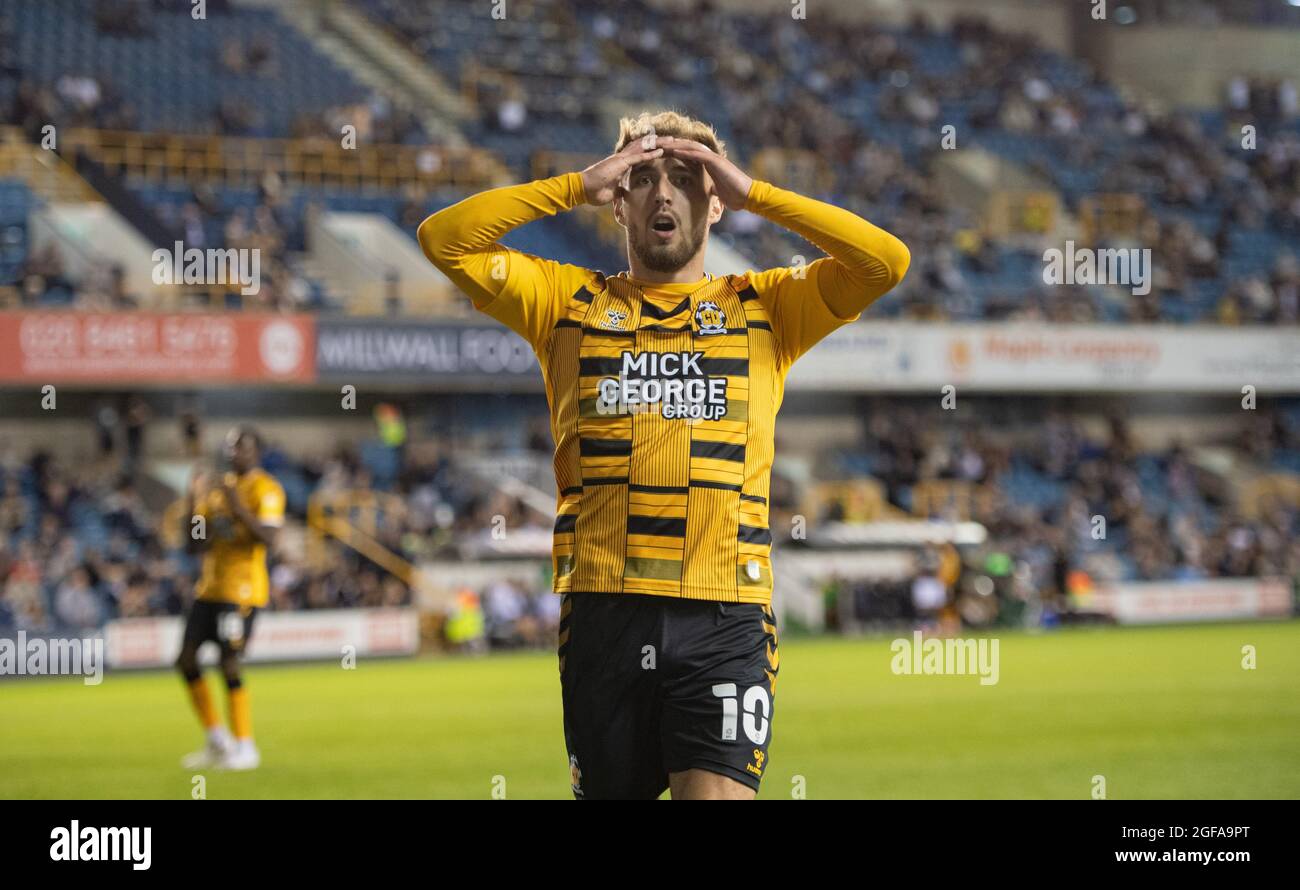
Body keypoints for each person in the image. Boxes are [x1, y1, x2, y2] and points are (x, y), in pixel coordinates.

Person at [418, 110, 909, 799]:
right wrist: (572, 186)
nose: (663, 193)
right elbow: (444, 240)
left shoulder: (768, 308)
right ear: (618, 199)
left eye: (686, 178)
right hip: (603, 613)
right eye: (642, 177)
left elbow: (885, 262)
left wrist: (756, 194)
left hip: (725, 615)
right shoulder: (565, 303)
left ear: (714, 201)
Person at [175, 426, 285, 771]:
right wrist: (194, 500)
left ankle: (246, 746)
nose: (234, 453)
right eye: (231, 447)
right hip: (209, 589)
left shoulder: (265, 489)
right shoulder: (218, 490)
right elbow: (194, 543)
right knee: (186, 660)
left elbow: (269, 537)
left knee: (229, 662)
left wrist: (237, 506)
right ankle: (217, 740)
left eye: (242, 448)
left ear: (257, 452)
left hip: (243, 591)